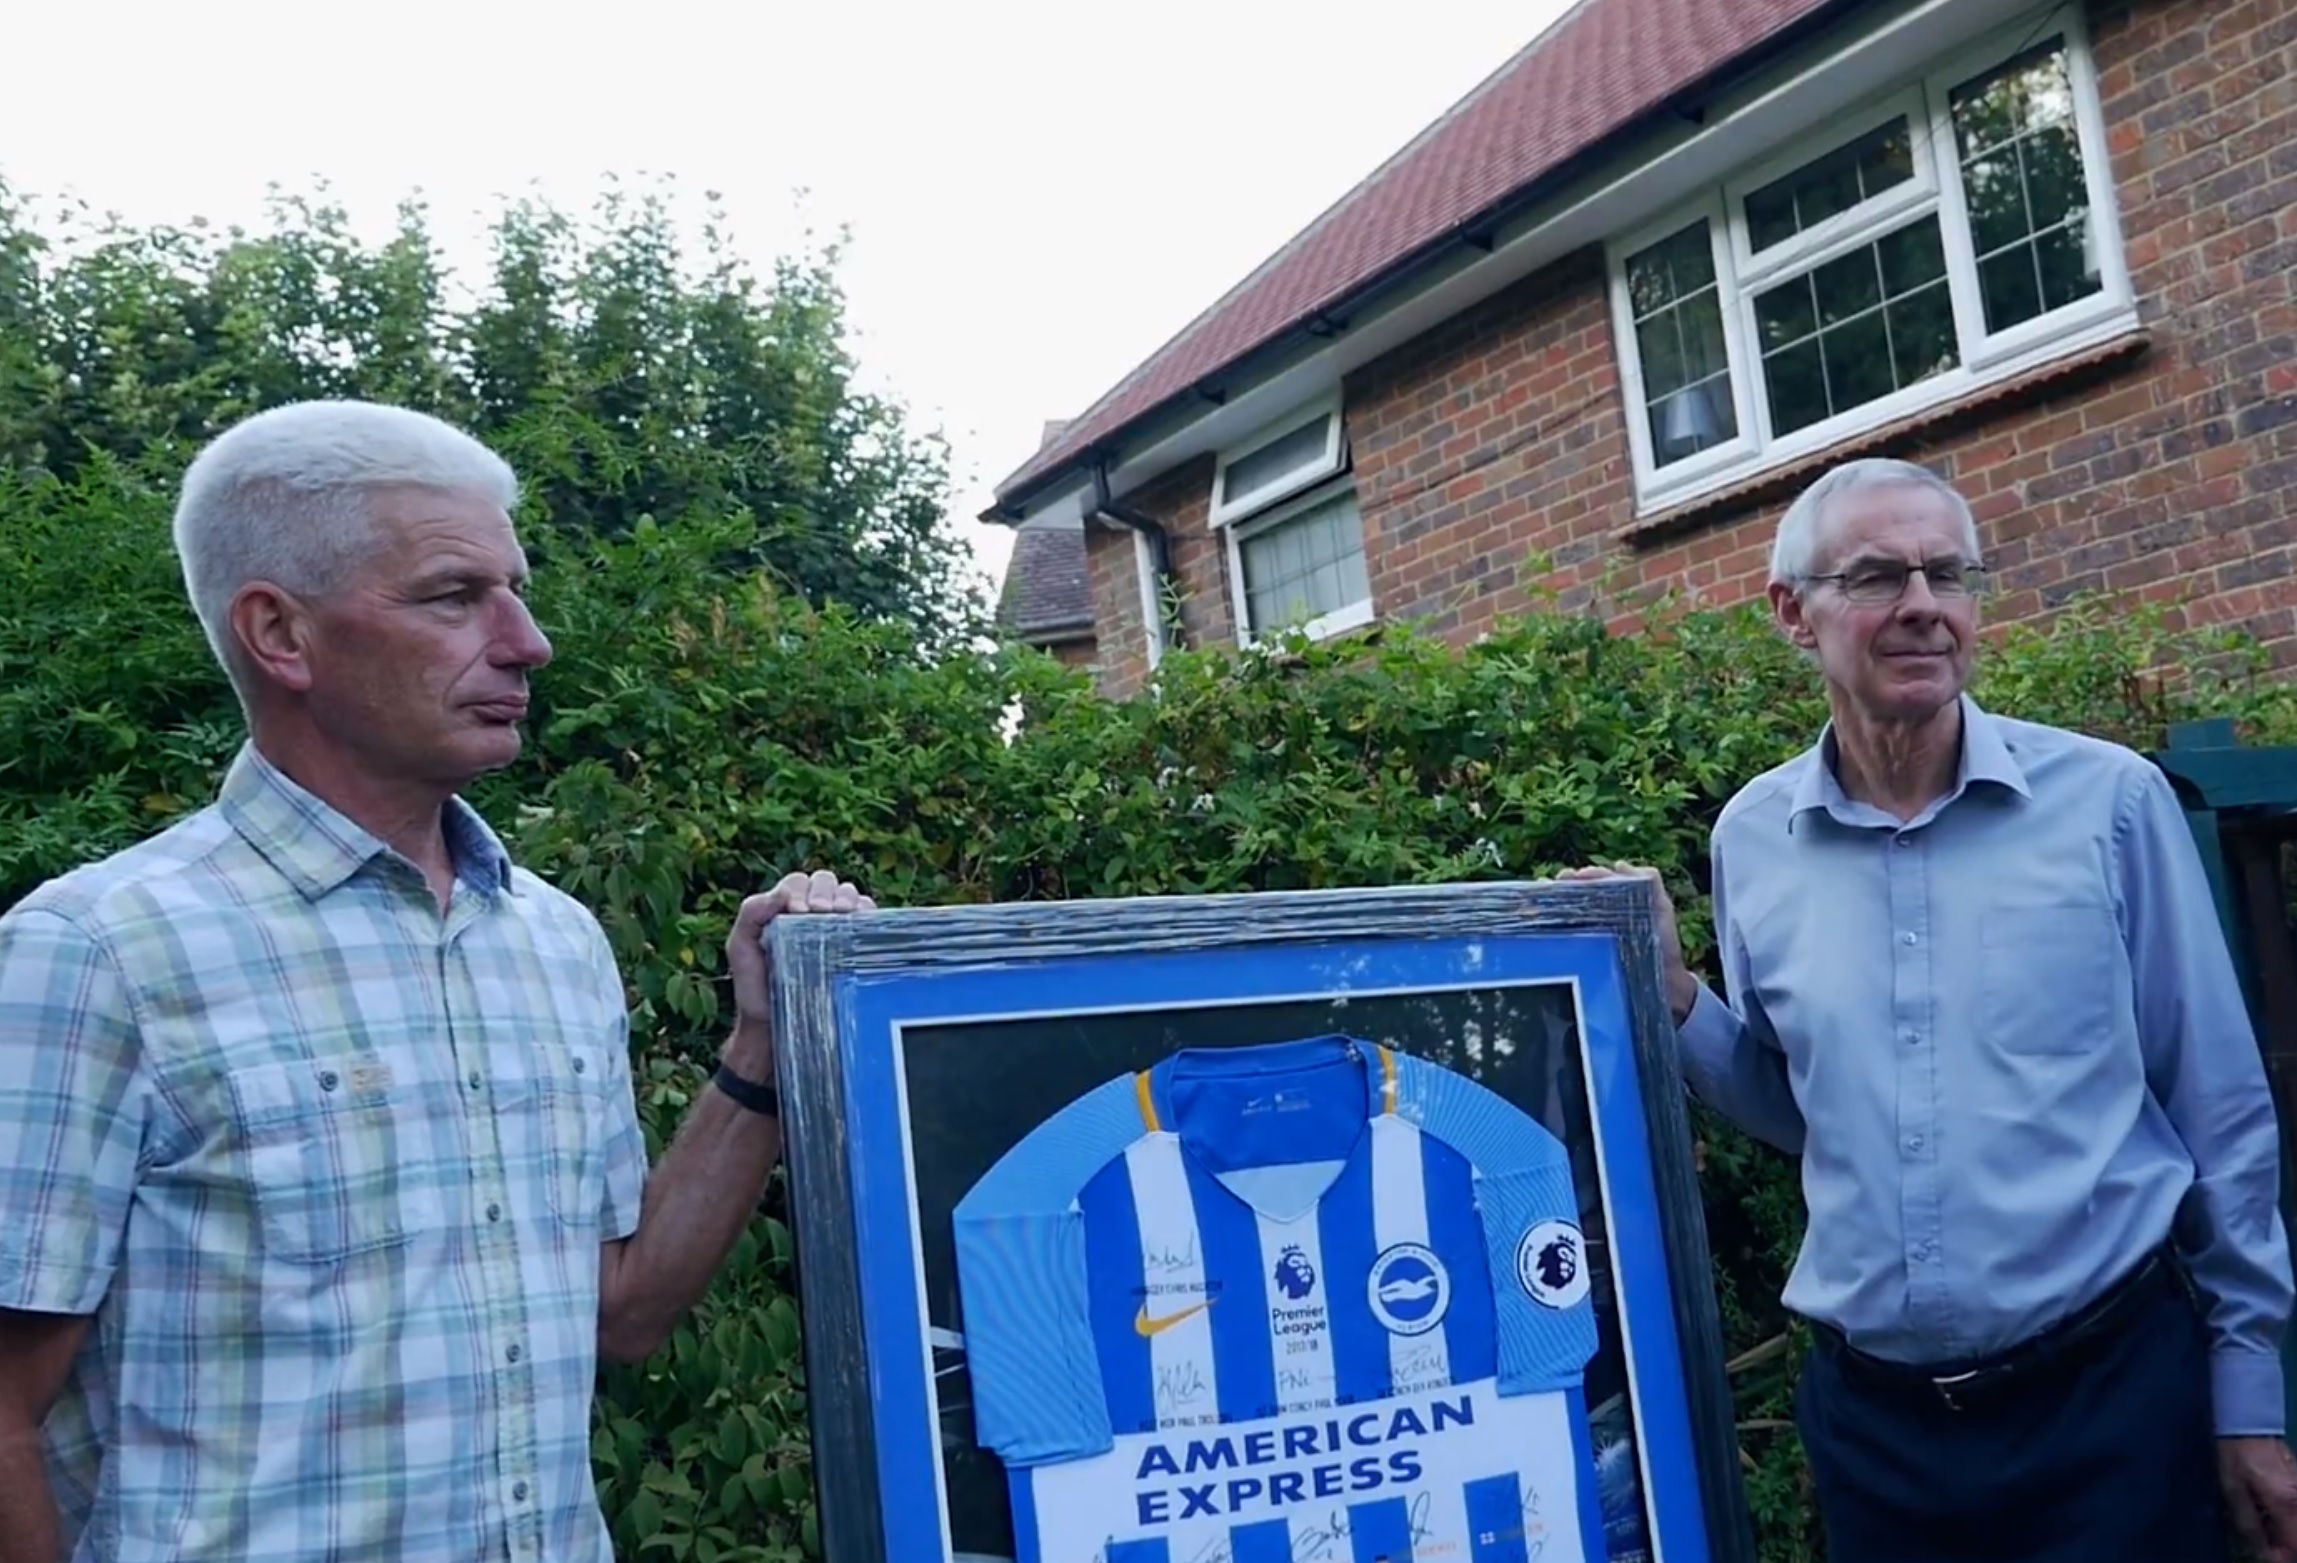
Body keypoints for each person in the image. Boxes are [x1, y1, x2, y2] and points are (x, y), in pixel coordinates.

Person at [0, 400, 872, 1562]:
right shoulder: (98, 951)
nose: (527, 642)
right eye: (454, 596)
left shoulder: (550, 939)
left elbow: (621, 1312)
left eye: (513, 589)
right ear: (281, 634)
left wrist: (763, 1045)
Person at [1571, 457, 2297, 1562]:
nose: (1921, 606)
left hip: (2107, 1406)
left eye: (1946, 575)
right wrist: (1676, 1003)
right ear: (1789, 614)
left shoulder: (2106, 805)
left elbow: (2216, 1108)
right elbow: (1800, 1103)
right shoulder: (1751, 839)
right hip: (1876, 1437)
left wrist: (2246, 1396)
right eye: (1874, 576)